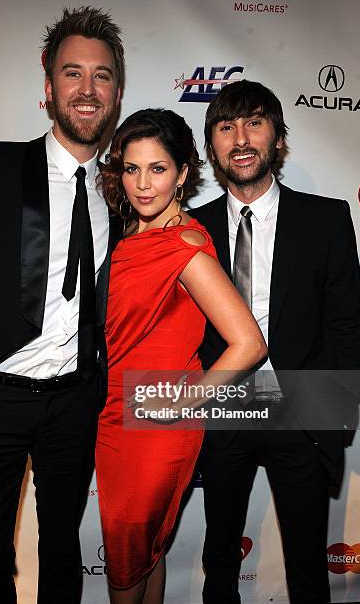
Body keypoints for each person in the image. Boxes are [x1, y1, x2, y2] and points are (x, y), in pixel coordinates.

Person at [0, 6, 124, 604]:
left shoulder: (122, 188)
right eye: (73, 74)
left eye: (102, 76)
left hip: (75, 403)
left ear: (116, 91)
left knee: (63, 557)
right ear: (48, 87)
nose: (87, 90)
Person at [190, 80, 360, 604]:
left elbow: (346, 326)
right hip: (222, 412)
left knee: (308, 565)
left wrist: (329, 407)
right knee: (218, 556)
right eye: (226, 127)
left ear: (279, 139)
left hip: (299, 414)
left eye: (255, 122)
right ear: (211, 148)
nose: (241, 138)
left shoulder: (326, 219)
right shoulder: (189, 230)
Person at [95, 108, 267, 604]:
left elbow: (249, 343)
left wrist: (183, 402)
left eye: (158, 169)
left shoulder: (184, 243)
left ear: (183, 174)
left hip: (152, 422)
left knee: (126, 563)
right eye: (132, 169)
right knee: (144, 554)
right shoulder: (127, 235)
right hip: (112, 414)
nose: (143, 185)